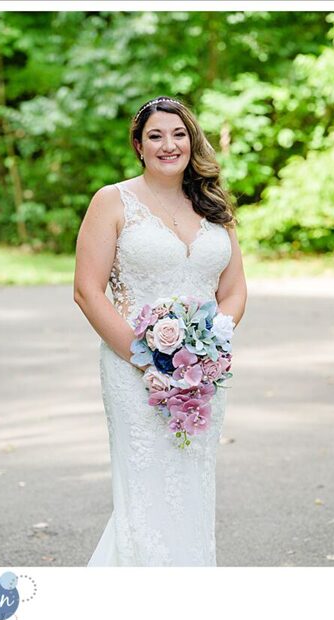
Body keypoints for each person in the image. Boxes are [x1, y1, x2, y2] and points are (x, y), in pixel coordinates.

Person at [73, 97, 247, 565]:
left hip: (202, 376)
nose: (168, 145)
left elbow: (233, 291)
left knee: (192, 484)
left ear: (192, 140)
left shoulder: (214, 206)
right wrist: (150, 358)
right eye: (155, 136)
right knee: (145, 492)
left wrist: (209, 347)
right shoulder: (112, 201)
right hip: (135, 373)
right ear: (138, 145)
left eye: (178, 134)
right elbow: (88, 292)